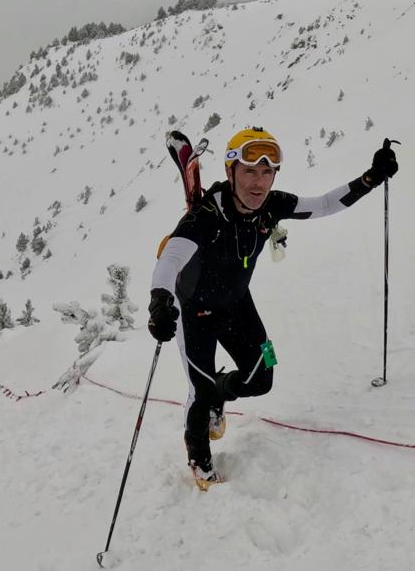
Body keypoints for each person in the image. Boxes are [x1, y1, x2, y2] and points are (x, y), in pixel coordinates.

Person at [148, 127, 398, 486]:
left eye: (267, 172)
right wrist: (160, 299)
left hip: (238, 305)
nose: (259, 182)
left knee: (264, 375)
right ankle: (199, 459)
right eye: (250, 171)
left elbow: (324, 204)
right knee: (199, 393)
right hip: (195, 313)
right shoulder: (205, 215)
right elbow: (170, 259)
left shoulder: (271, 206)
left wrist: (370, 179)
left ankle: (219, 392)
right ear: (231, 171)